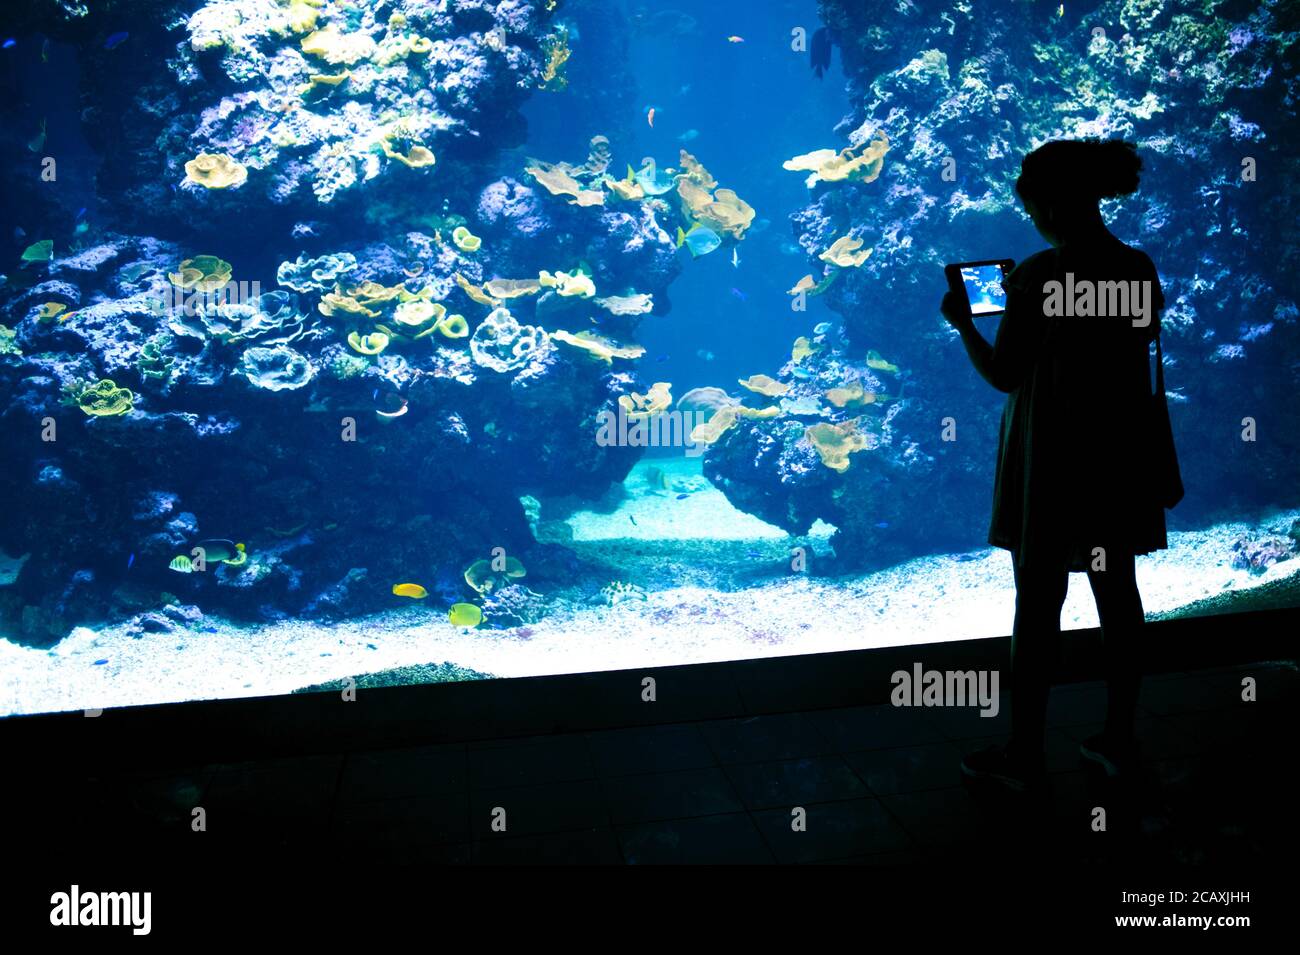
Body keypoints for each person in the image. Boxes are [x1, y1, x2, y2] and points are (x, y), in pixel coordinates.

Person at [941, 139, 1169, 792]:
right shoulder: (1137, 266)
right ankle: (1119, 739)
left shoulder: (1040, 275)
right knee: (1118, 595)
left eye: (1033, 203)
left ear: (1048, 202)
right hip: (1116, 458)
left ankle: (1025, 749)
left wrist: (964, 324)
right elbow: (1136, 341)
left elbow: (1004, 373)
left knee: (1038, 605)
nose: (1033, 216)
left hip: (1054, 461)